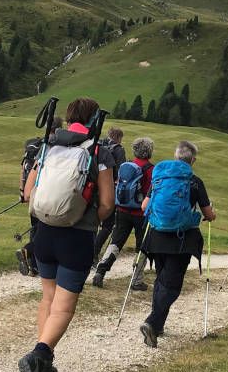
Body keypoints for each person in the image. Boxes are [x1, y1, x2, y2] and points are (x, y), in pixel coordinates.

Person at [18, 97, 115, 372]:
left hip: (44, 233)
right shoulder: (98, 150)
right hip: (77, 237)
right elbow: (108, 204)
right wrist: (86, 219)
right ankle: (38, 356)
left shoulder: (49, 144)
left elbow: (27, 194)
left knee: (48, 298)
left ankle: (44, 363)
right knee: (64, 306)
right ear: (93, 118)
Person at [138, 141, 215, 348]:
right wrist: (212, 213)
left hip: (156, 236)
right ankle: (152, 322)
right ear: (193, 160)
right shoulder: (194, 181)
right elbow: (208, 214)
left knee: (162, 280)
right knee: (171, 285)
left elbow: (145, 205)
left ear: (175, 156)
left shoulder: (160, 177)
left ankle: (158, 325)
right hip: (180, 240)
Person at [92, 136, 155, 290]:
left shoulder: (126, 166)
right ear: (149, 151)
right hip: (141, 213)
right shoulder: (152, 169)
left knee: (115, 242)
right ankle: (136, 280)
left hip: (122, 210)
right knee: (142, 247)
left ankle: (100, 271)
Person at [15, 116, 63, 277]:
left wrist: (23, 191)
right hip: (47, 195)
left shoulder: (35, 145)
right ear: (59, 128)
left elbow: (24, 169)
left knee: (36, 228)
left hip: (32, 194)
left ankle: (34, 266)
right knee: (45, 231)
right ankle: (29, 252)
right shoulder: (57, 145)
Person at [93, 127, 127, 259]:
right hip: (109, 188)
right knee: (107, 225)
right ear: (119, 137)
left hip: (94, 187)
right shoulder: (119, 150)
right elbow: (121, 172)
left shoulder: (99, 144)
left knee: (93, 221)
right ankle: (94, 253)